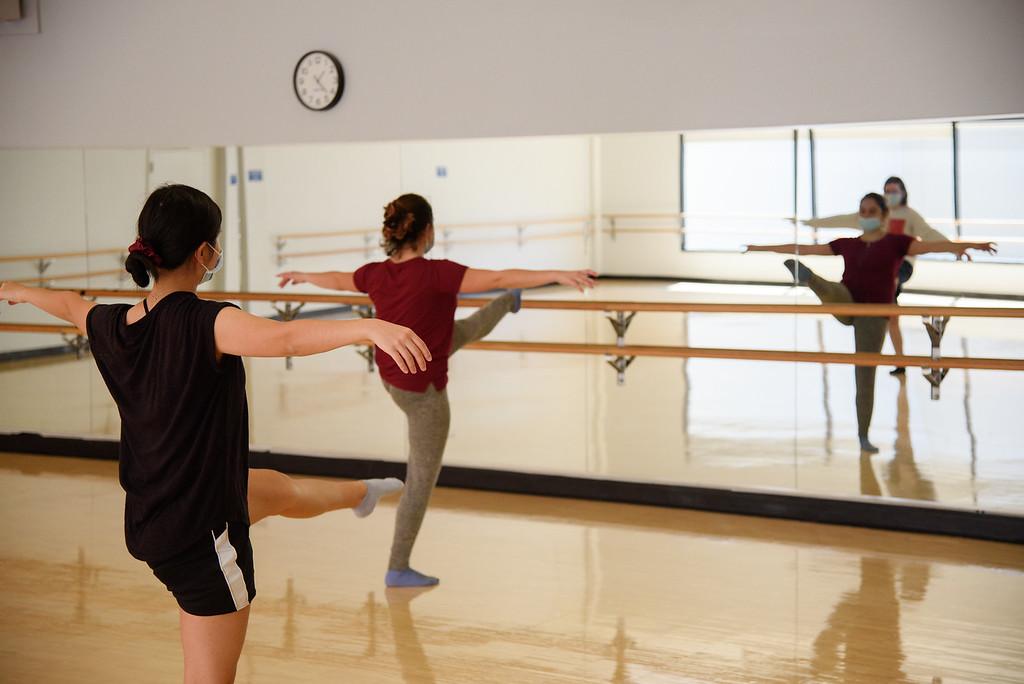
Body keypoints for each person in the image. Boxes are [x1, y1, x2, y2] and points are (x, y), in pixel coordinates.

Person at [0, 184, 431, 683]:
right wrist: (371, 327)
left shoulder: (114, 325)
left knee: (275, 489)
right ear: (205, 252)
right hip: (199, 534)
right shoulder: (209, 322)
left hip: (152, 513)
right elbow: (286, 336)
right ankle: (361, 495)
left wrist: (19, 291)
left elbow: (70, 305)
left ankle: (362, 494)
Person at [277, 193, 597, 588]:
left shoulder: (375, 274)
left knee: (457, 331)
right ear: (427, 231)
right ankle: (398, 566)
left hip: (394, 373)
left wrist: (304, 276)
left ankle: (506, 305)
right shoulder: (437, 274)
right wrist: (557, 274)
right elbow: (498, 276)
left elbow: (339, 280)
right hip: (422, 391)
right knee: (420, 481)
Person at [746, 192, 995, 453]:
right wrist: (759, 248)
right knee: (834, 290)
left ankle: (863, 436)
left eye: (871, 211)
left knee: (864, 375)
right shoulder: (847, 244)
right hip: (846, 302)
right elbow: (804, 249)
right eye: (862, 211)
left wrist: (971, 246)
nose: (865, 216)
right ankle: (810, 279)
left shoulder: (897, 243)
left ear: (884, 216)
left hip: (874, 316)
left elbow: (932, 246)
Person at [803, 176, 954, 374]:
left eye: (894, 191)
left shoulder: (910, 215)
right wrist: (810, 222)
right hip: (878, 269)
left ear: (903, 192)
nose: (890, 195)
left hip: (900, 267)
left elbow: (929, 234)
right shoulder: (873, 214)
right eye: (887, 191)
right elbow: (841, 219)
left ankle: (900, 360)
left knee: (890, 312)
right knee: (892, 317)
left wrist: (954, 248)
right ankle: (900, 363)